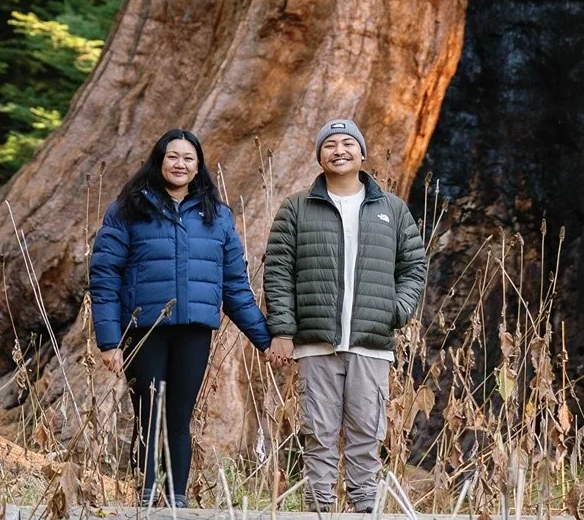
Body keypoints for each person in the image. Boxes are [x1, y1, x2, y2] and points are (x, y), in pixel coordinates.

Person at [89, 128, 272, 508]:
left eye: (189, 158)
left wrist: (266, 341)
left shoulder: (216, 216)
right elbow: (105, 276)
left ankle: (176, 501)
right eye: (173, 156)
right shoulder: (128, 209)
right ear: (159, 161)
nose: (180, 164)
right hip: (144, 331)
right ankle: (145, 500)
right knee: (147, 414)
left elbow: (235, 287)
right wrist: (108, 340)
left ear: (198, 166)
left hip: (194, 331)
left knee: (179, 417)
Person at [263, 119, 427, 514]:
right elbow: (278, 271)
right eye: (330, 144)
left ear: (362, 153)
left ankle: (364, 508)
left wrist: (396, 310)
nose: (339, 150)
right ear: (319, 156)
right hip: (316, 341)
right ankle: (319, 509)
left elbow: (414, 267)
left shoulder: (392, 209)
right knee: (318, 433)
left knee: (367, 434)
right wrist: (282, 329)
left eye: (348, 143)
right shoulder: (296, 208)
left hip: (371, 342)